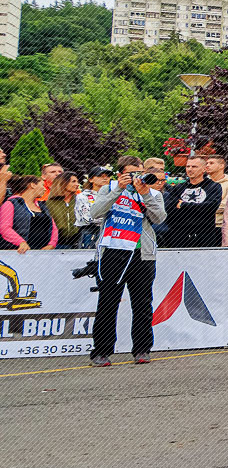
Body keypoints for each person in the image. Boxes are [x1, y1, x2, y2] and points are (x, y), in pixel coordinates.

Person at [87, 156, 168, 366]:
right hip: (113, 251)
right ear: (120, 173)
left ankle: (142, 349)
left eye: (139, 173)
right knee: (108, 302)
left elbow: (160, 218)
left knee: (142, 303)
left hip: (142, 254)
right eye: (131, 173)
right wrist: (118, 191)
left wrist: (145, 194)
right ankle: (101, 351)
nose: (135, 177)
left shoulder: (153, 193)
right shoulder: (108, 189)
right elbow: (95, 213)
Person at [164, 155, 223, 247]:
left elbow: (211, 207)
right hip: (179, 234)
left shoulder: (213, 186)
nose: (190, 169)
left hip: (204, 234)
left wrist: (183, 205)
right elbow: (170, 209)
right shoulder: (178, 188)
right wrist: (199, 208)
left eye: (194, 166)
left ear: (204, 169)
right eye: (188, 166)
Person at [0, 175, 58, 252]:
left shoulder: (42, 206)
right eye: (42, 185)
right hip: (18, 252)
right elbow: (4, 228)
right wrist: (21, 242)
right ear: (32, 185)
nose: (44, 189)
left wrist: (52, 244)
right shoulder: (10, 203)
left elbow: (53, 227)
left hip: (42, 253)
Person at [77, 167, 112, 248]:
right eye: (100, 176)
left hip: (110, 232)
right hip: (90, 232)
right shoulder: (82, 196)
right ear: (90, 179)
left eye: (107, 176)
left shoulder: (114, 195)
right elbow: (87, 217)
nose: (105, 178)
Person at [45, 174, 82, 249]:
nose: (77, 184)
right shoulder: (48, 203)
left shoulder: (80, 200)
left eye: (77, 182)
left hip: (77, 244)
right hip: (55, 245)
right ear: (62, 183)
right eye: (73, 181)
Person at [206, 153, 228, 230]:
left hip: (221, 225)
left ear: (221, 166)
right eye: (206, 163)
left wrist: (200, 207)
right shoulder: (202, 183)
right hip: (200, 224)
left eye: (211, 163)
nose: (207, 165)